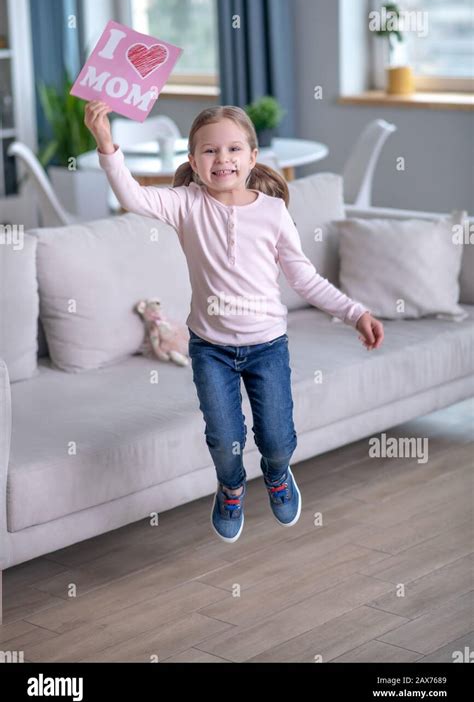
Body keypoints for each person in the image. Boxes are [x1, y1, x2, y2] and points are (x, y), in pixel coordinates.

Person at [84, 100, 384, 544]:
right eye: (209, 151)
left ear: (251, 157)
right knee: (225, 440)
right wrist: (106, 142)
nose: (222, 159)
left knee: (278, 440)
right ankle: (231, 488)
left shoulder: (272, 213)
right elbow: (130, 196)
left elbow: (304, 278)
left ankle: (278, 476)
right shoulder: (185, 204)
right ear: (192, 161)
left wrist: (354, 312)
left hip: (268, 347)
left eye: (233, 149)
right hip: (210, 349)